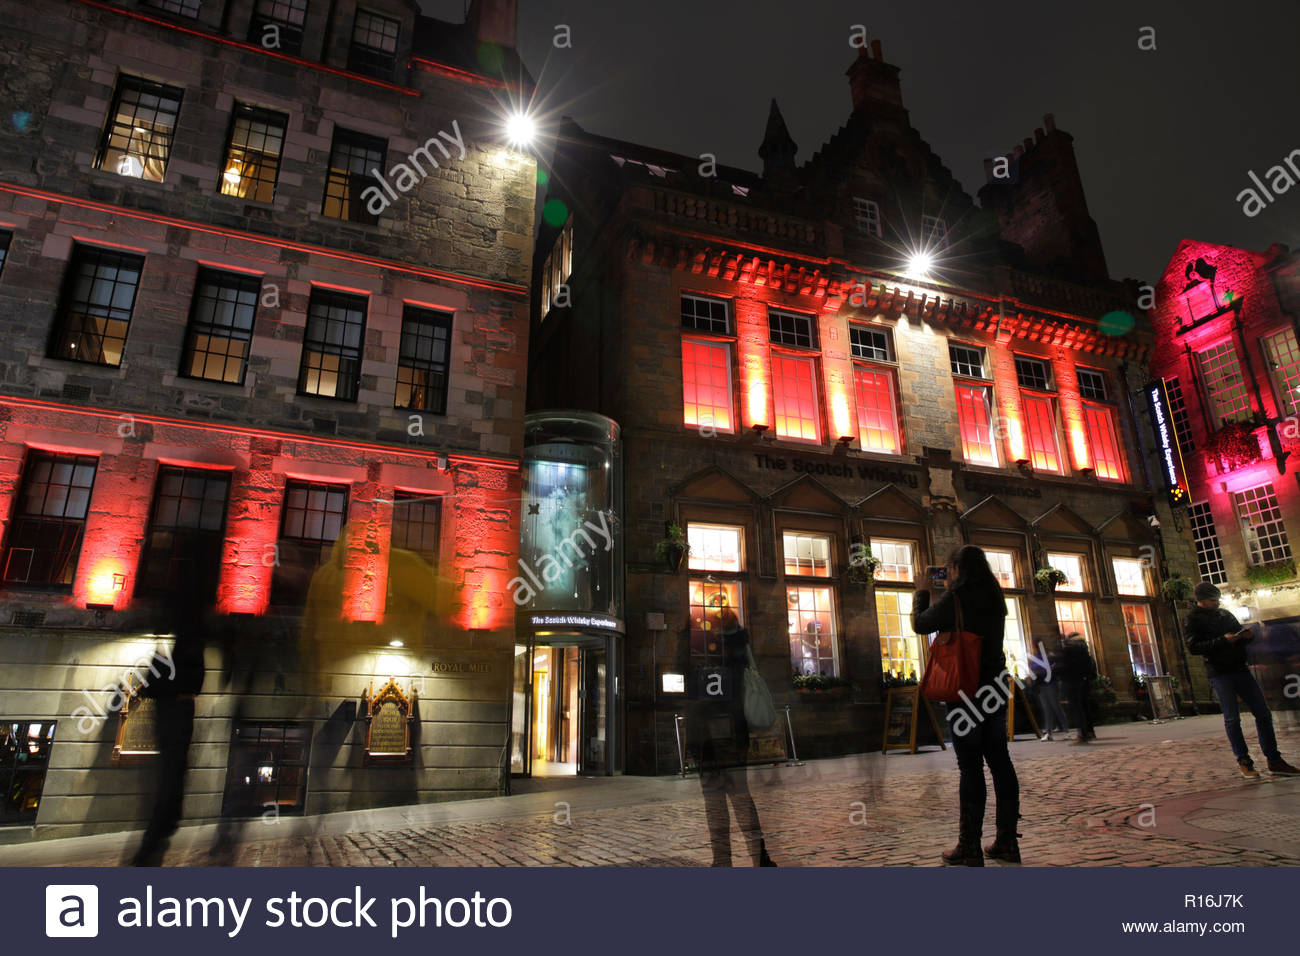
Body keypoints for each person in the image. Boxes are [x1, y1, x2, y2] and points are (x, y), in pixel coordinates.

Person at [912, 545, 1021, 866]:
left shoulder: (955, 599)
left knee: (971, 765)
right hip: (996, 686)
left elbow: (920, 624)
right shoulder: (995, 596)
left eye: (950, 569)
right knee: (1000, 761)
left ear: (957, 570)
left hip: (965, 689)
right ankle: (1007, 842)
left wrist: (921, 592)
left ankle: (970, 846)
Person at [686, 607, 777, 867]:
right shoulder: (740, 650)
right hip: (733, 736)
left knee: (717, 802)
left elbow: (709, 696)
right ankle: (760, 859)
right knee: (740, 797)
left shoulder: (714, 652)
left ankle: (723, 860)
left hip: (713, 737)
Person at [1184, 582, 1300, 778]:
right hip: (1219, 672)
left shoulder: (1225, 614)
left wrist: (1246, 637)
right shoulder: (1193, 619)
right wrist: (1223, 640)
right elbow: (1194, 647)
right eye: (1213, 600)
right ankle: (1244, 760)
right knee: (1232, 718)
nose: (1217, 602)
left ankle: (1274, 759)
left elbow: (1238, 632)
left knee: (1263, 713)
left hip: (1240, 668)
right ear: (1202, 600)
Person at [131, 578, 208, 866]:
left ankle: (157, 836)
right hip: (176, 707)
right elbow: (189, 678)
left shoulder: (186, 636)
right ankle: (155, 840)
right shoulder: (188, 636)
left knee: (170, 774)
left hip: (175, 705)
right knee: (171, 776)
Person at [1059, 632, 1097, 743]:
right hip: (1082, 682)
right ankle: (1088, 731)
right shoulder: (1084, 652)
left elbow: (1069, 667)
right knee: (1084, 707)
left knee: (1078, 708)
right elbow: (1089, 668)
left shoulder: (1073, 651)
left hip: (1075, 682)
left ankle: (1083, 734)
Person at [1029, 636, 1069, 740]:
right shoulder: (1041, 657)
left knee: (1054, 707)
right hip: (1044, 685)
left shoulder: (1046, 657)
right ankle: (1050, 731)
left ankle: (1063, 729)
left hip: (1049, 684)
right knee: (1048, 708)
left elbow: (1045, 670)